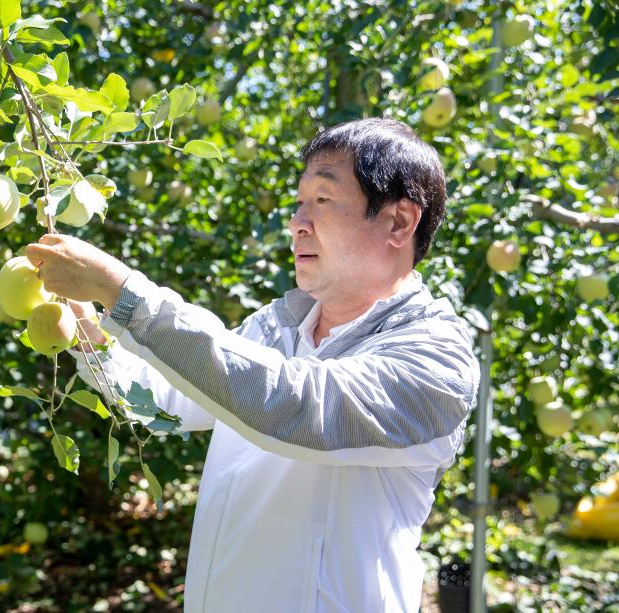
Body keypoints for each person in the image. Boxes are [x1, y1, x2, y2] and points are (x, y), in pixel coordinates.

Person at [24, 117, 480, 613]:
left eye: (323, 199)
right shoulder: (276, 327)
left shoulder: (436, 357)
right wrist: (86, 327)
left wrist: (124, 293)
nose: (298, 223)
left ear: (399, 222)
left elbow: (293, 407)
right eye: (299, 203)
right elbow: (161, 403)